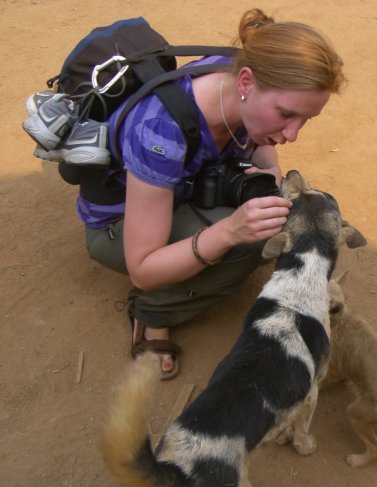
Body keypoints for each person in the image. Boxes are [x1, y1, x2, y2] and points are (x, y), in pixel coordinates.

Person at [60, 9, 345, 379]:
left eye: (305, 119)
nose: (292, 134)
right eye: (286, 114)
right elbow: (143, 268)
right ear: (246, 82)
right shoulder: (160, 131)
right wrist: (230, 231)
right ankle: (154, 312)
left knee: (277, 220)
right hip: (119, 224)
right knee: (247, 242)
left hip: (175, 191)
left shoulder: (241, 77)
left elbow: (264, 153)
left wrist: (269, 178)